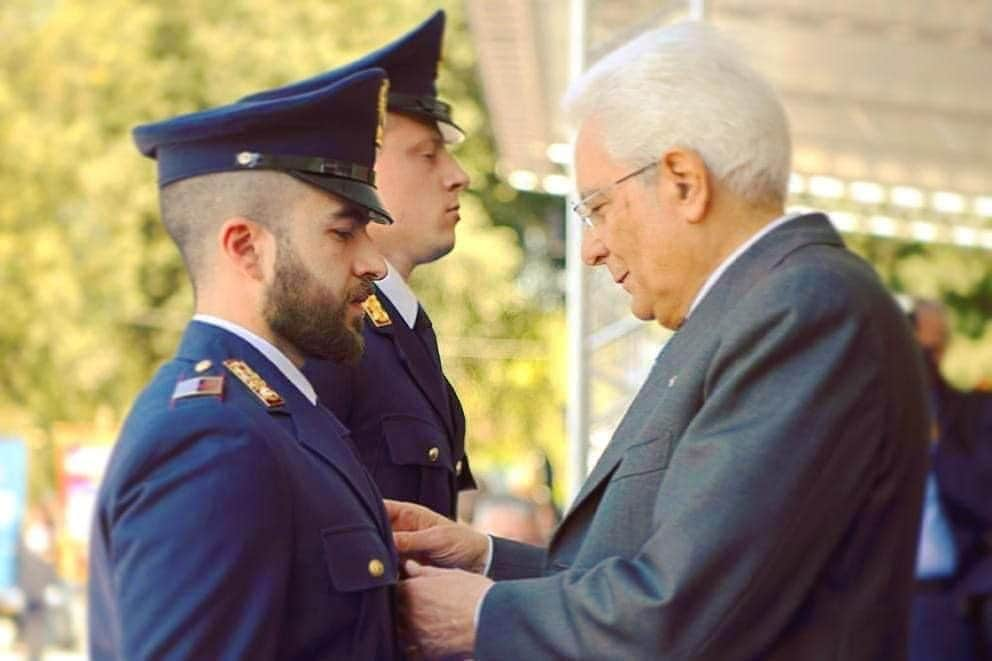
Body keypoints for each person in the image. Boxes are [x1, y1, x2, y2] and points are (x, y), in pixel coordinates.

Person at [387, 21, 931, 659]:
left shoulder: (803, 313)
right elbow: (649, 567)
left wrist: (482, 615)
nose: (590, 248)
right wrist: (484, 560)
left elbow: (685, 611)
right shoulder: (757, 309)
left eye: (596, 207)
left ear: (683, 182)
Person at [88, 69, 405, 659]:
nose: (374, 264)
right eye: (343, 232)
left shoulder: (279, 416)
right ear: (246, 248)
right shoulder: (212, 440)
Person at [240, 11, 475, 519]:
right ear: (362, 171)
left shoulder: (401, 329)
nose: (459, 176)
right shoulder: (328, 332)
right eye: (427, 155)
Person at [908, 299, 992, 661]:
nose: (928, 356)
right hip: (870, 602)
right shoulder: (860, 412)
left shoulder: (969, 414)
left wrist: (936, 445)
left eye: (934, 345)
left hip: (943, 602)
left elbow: (979, 501)